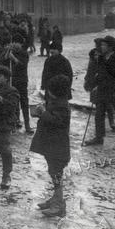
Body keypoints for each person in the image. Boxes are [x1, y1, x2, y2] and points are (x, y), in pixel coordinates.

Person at [30, 74, 72, 218]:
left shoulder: (62, 106)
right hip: (51, 146)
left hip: (57, 147)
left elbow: (58, 121)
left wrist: (43, 113)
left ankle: (59, 203)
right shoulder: (56, 102)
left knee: (56, 173)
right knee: (53, 171)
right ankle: (56, 198)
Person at [85, 36, 115, 149]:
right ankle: (99, 137)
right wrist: (94, 85)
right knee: (99, 114)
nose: (102, 47)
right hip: (102, 90)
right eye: (102, 45)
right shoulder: (101, 58)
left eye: (104, 45)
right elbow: (100, 73)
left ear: (110, 47)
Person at [6, 34, 33, 134]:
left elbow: (22, 65)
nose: (15, 44)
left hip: (22, 80)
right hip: (13, 80)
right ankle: (15, 122)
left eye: (16, 43)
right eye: (13, 42)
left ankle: (27, 125)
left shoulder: (24, 53)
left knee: (24, 102)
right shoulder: (11, 51)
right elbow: (3, 59)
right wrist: (8, 51)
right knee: (14, 102)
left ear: (21, 44)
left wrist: (13, 58)